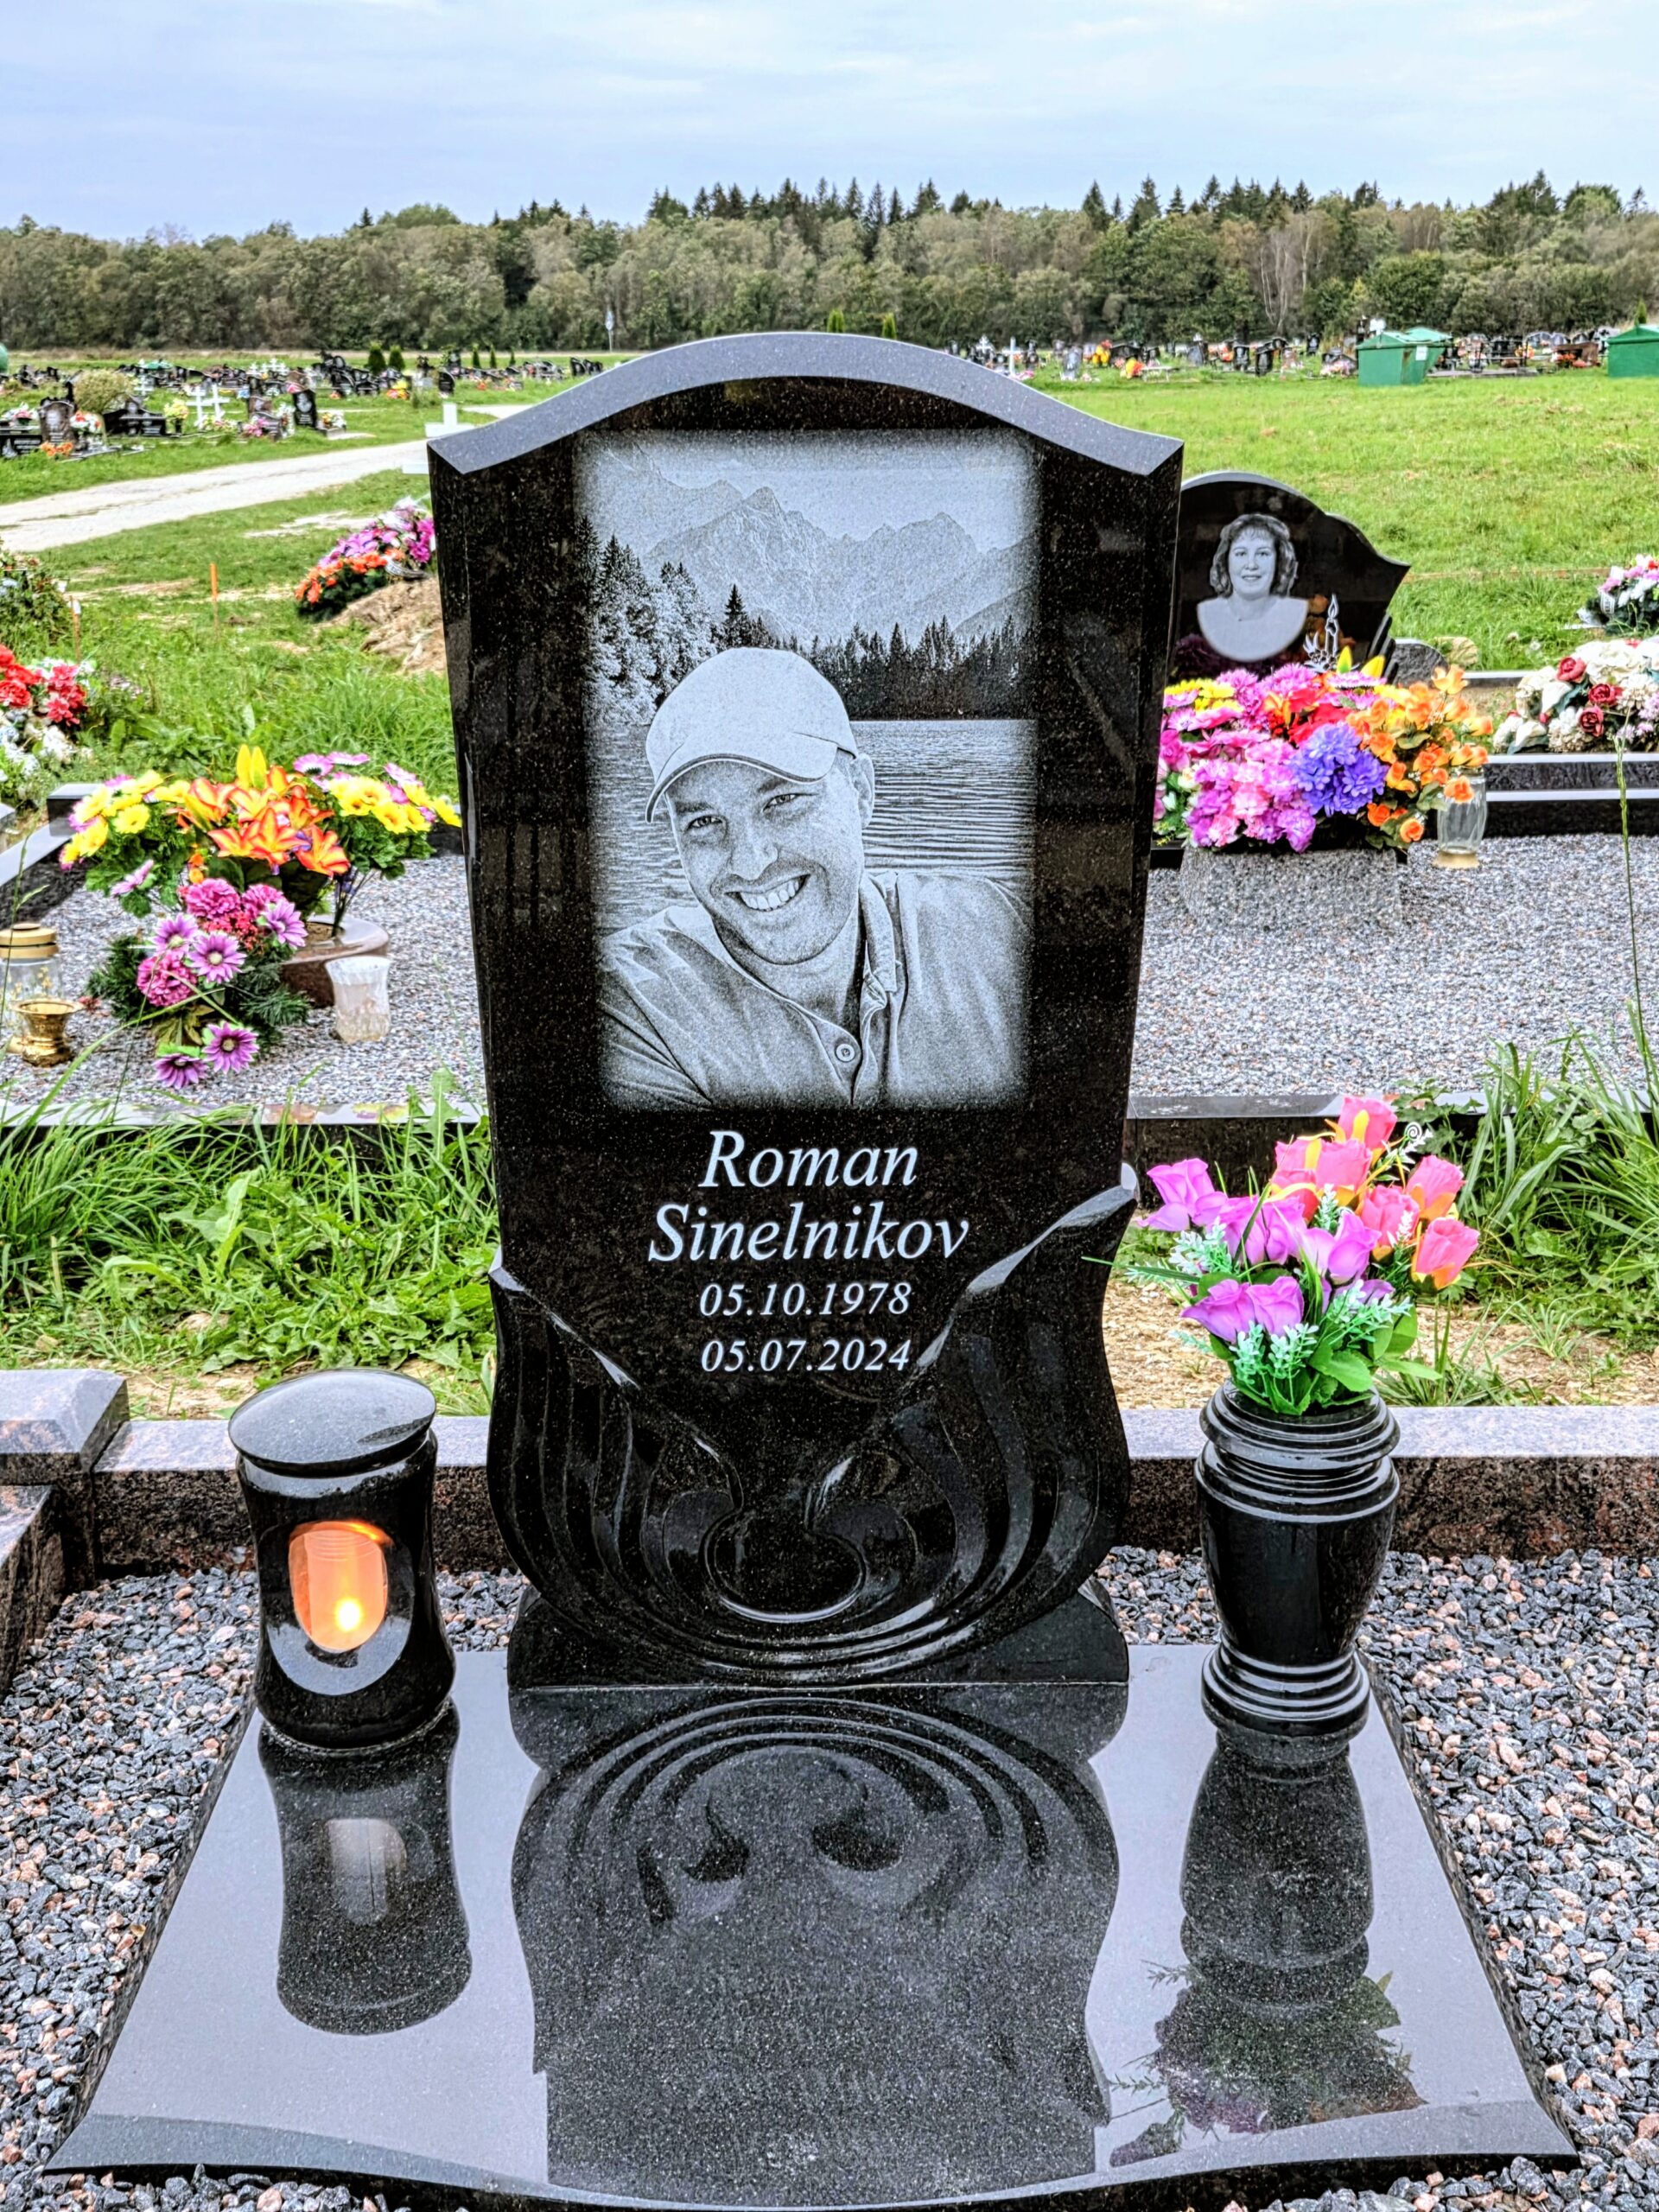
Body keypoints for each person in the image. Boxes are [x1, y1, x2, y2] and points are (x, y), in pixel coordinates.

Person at [597, 648, 1028, 1109]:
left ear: (861, 792)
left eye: (782, 801)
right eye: (703, 822)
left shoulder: (996, 932)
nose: (750, 863)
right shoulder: (629, 1007)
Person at [1187, 512, 1310, 671]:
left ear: (1280, 561)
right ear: (1226, 560)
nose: (1251, 565)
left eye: (1263, 554)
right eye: (1241, 554)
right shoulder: (1206, 612)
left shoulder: (1296, 612)